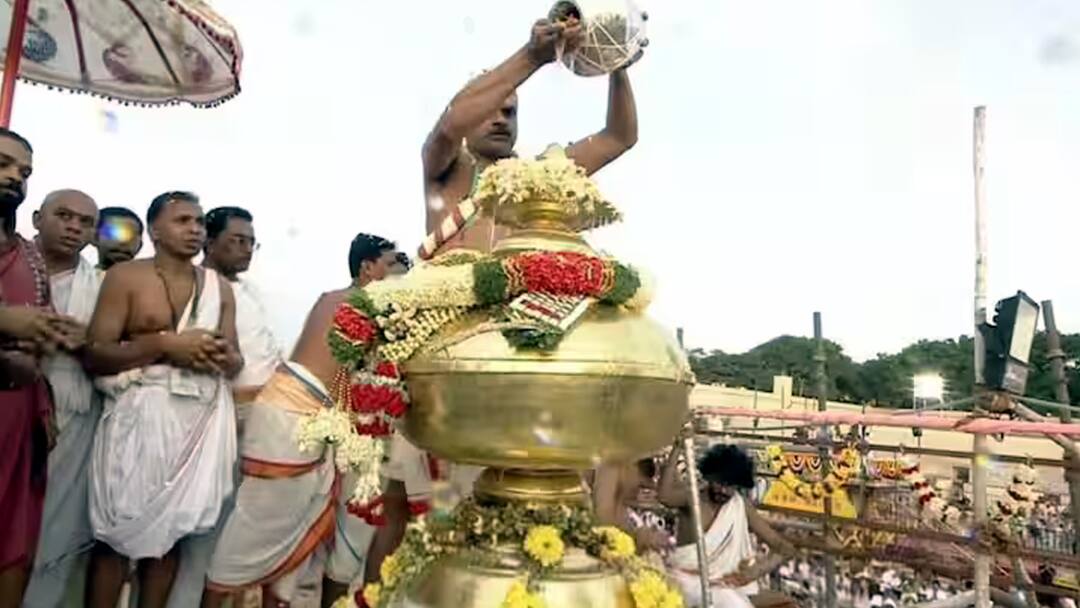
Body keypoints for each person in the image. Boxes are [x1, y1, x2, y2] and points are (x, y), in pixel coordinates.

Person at [205, 233, 396, 608]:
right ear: (367, 268)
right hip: (292, 415)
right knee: (254, 531)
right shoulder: (362, 303)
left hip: (300, 413)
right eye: (390, 265)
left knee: (290, 532)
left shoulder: (331, 298)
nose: (397, 276)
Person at [84, 191, 242, 608]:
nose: (195, 229)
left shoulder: (218, 288)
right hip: (139, 418)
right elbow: (96, 354)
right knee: (116, 535)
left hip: (195, 420)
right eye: (183, 221)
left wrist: (223, 358)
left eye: (200, 222)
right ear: (155, 230)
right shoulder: (126, 278)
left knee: (171, 535)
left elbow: (235, 359)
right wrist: (166, 346)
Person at [420, 16, 639, 257]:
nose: (500, 120)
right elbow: (450, 125)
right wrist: (532, 57)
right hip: (450, 291)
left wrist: (616, 60)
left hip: (522, 293)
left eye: (508, 112)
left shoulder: (537, 175)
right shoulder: (445, 166)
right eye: (486, 113)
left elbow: (619, 137)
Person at [163, 207, 283, 608]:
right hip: (218, 417)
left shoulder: (248, 292)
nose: (247, 250)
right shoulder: (197, 287)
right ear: (209, 242)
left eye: (252, 242)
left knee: (234, 528)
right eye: (237, 240)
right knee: (200, 528)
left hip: (264, 419)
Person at [0, 128, 69, 608]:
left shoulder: (28, 253)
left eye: (23, 172)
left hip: (17, 416)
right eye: (3, 164)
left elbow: (38, 332)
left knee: (12, 538)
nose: (15, 178)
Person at [24, 190, 103, 608]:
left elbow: (114, 356)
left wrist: (87, 343)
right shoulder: (10, 267)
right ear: (37, 218)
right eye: (64, 216)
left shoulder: (102, 289)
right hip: (9, 406)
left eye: (85, 222)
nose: (74, 227)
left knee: (50, 529)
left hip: (71, 420)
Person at [659, 441, 796, 608]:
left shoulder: (740, 506)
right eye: (720, 483)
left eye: (730, 486)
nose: (724, 491)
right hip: (686, 581)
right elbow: (664, 496)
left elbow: (785, 548)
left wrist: (754, 573)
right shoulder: (693, 498)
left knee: (786, 603)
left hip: (727, 586)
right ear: (709, 477)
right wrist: (678, 447)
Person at [592, 458, 674, 555]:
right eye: (640, 486)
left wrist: (643, 535)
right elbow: (604, 526)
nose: (637, 494)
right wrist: (642, 537)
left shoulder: (622, 501)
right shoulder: (610, 466)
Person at [93, 206, 144, 271]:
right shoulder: (80, 279)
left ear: (140, 245)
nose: (124, 242)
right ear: (95, 237)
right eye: (114, 233)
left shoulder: (154, 280)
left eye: (132, 237)